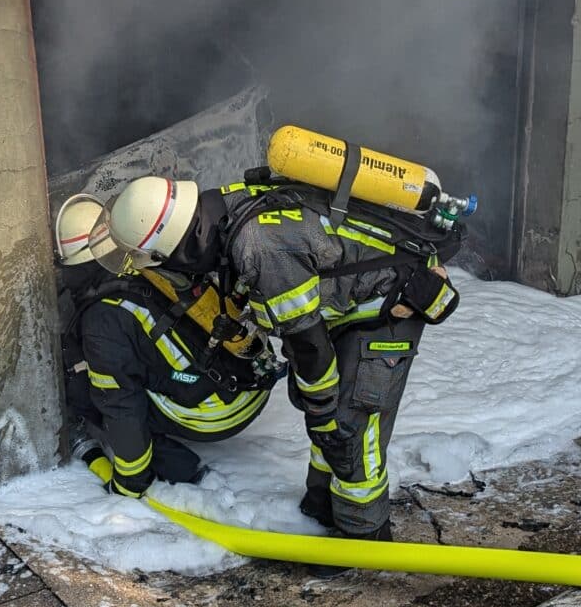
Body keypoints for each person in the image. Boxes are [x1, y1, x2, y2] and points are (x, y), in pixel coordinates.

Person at [100, 174, 459, 540]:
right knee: (325, 417)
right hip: (346, 304)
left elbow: (308, 345)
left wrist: (322, 413)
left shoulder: (259, 246)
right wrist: (318, 409)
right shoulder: (223, 209)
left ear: (173, 246)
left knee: (349, 431)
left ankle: (365, 536)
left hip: (388, 302)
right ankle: (321, 506)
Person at [53, 193, 278, 499]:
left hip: (222, 410)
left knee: (99, 392)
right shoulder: (146, 258)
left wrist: (130, 483)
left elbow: (122, 405)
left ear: (73, 266)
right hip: (252, 378)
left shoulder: (101, 320)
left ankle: (181, 469)